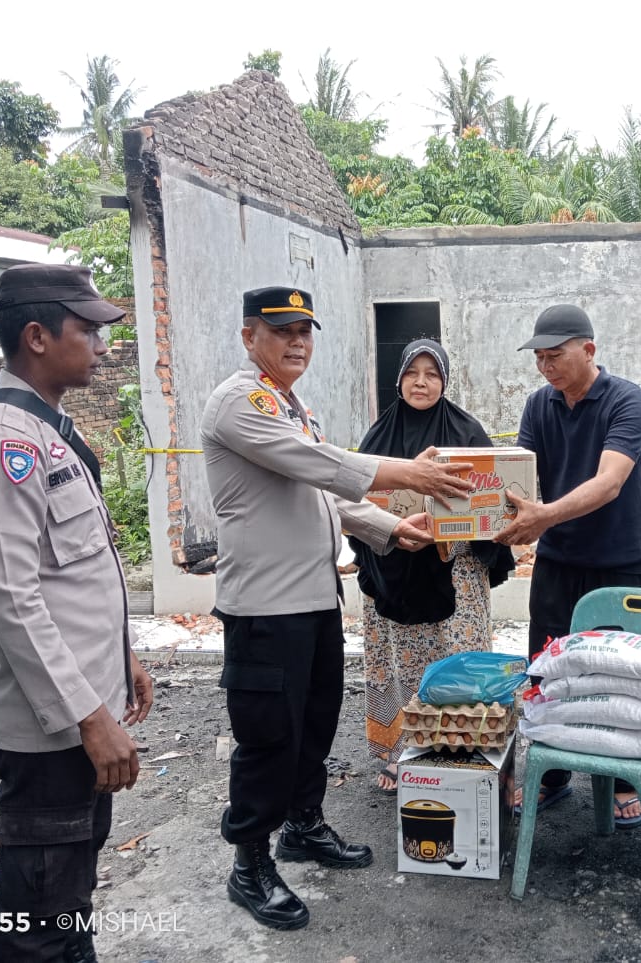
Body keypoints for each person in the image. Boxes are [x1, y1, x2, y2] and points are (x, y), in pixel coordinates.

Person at [201, 287, 475, 931]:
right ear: (249, 336)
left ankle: (302, 826)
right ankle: (250, 864)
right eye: (282, 330)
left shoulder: (293, 406)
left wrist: (390, 528)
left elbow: (326, 494)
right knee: (268, 737)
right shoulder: (241, 402)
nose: (298, 341)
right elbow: (321, 464)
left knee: (315, 723)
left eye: (306, 330)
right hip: (265, 608)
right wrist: (410, 475)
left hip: (315, 597)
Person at [0, 263, 153, 963]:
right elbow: (12, 598)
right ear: (36, 336)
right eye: (87, 329)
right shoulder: (2, 443)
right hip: (53, 735)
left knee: (67, 905)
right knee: (38, 925)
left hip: (78, 720)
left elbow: (70, 574)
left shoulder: (47, 431)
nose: (102, 344)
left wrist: (120, 661)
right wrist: (92, 716)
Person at [495, 303, 641, 827]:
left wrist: (543, 518)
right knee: (548, 669)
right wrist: (488, 512)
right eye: (539, 358)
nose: (546, 367)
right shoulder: (539, 405)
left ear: (589, 350)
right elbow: (518, 475)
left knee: (620, 673)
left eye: (555, 355)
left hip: (618, 559)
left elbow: (610, 483)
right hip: (558, 560)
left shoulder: (628, 400)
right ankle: (554, 773)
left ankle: (626, 778)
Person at [351, 339, 515, 792]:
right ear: (399, 379)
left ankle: (460, 748)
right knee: (401, 661)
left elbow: (494, 501)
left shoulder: (467, 434)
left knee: (456, 662)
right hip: (395, 574)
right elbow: (357, 502)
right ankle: (402, 750)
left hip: (454, 573)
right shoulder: (377, 439)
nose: (421, 382)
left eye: (432, 374)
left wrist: (453, 531)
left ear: (444, 381)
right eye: (412, 373)